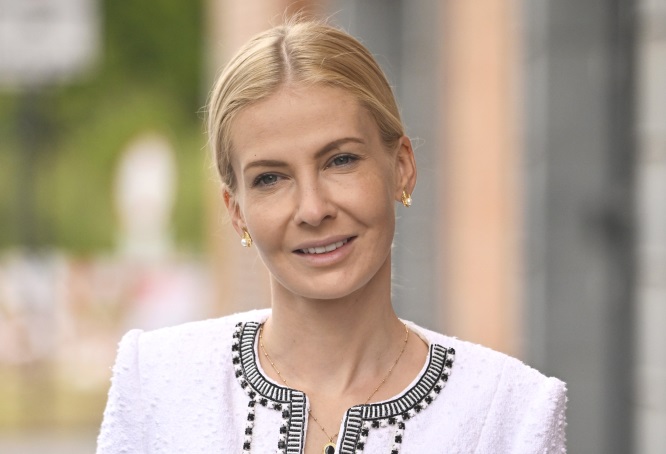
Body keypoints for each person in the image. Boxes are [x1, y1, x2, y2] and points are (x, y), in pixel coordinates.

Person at [97, 19, 567, 454]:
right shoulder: (155, 382)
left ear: (401, 167)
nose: (313, 209)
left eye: (340, 160)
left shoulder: (511, 412)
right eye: (270, 178)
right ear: (236, 211)